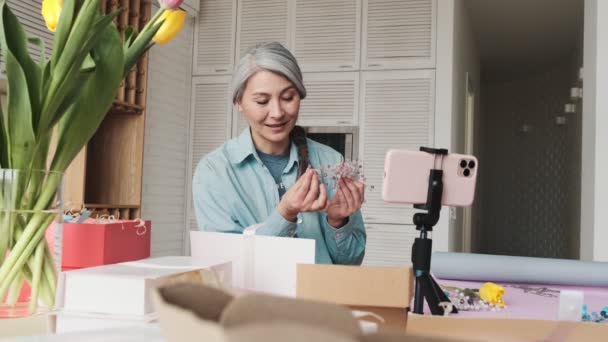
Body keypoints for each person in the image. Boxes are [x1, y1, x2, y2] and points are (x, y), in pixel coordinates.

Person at [192, 42, 366, 265]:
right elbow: (224, 267)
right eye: (262, 101)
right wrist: (285, 214)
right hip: (251, 300)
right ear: (238, 102)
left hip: (318, 298)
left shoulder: (331, 161)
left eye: (287, 98)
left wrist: (338, 222)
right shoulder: (215, 172)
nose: (277, 113)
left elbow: (350, 263)